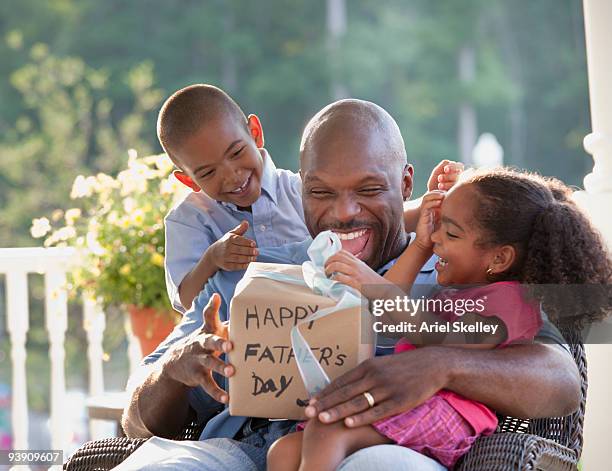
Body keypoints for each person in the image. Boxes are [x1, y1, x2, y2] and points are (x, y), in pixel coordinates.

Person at [120, 99, 582, 471]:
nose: (343, 213)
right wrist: (176, 370)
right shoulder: (251, 274)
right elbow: (135, 420)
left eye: (367, 190)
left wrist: (440, 365)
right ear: (300, 190)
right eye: (321, 192)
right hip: (241, 452)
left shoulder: (456, 273)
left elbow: (561, 382)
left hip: (382, 447)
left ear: (405, 185)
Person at [266, 168, 612, 470]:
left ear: (499, 258)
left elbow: (445, 335)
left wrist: (374, 288)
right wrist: (419, 247)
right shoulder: (457, 292)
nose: (437, 241)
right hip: (418, 404)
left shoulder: (509, 300)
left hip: (450, 411)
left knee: (327, 430)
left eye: (452, 234)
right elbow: (389, 317)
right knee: (284, 451)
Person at [157, 84, 462, 312]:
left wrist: (436, 203)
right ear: (188, 180)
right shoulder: (194, 224)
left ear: (255, 133)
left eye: (236, 153)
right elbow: (188, 305)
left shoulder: (293, 189)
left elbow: (388, 219)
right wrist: (212, 259)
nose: (232, 175)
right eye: (208, 172)